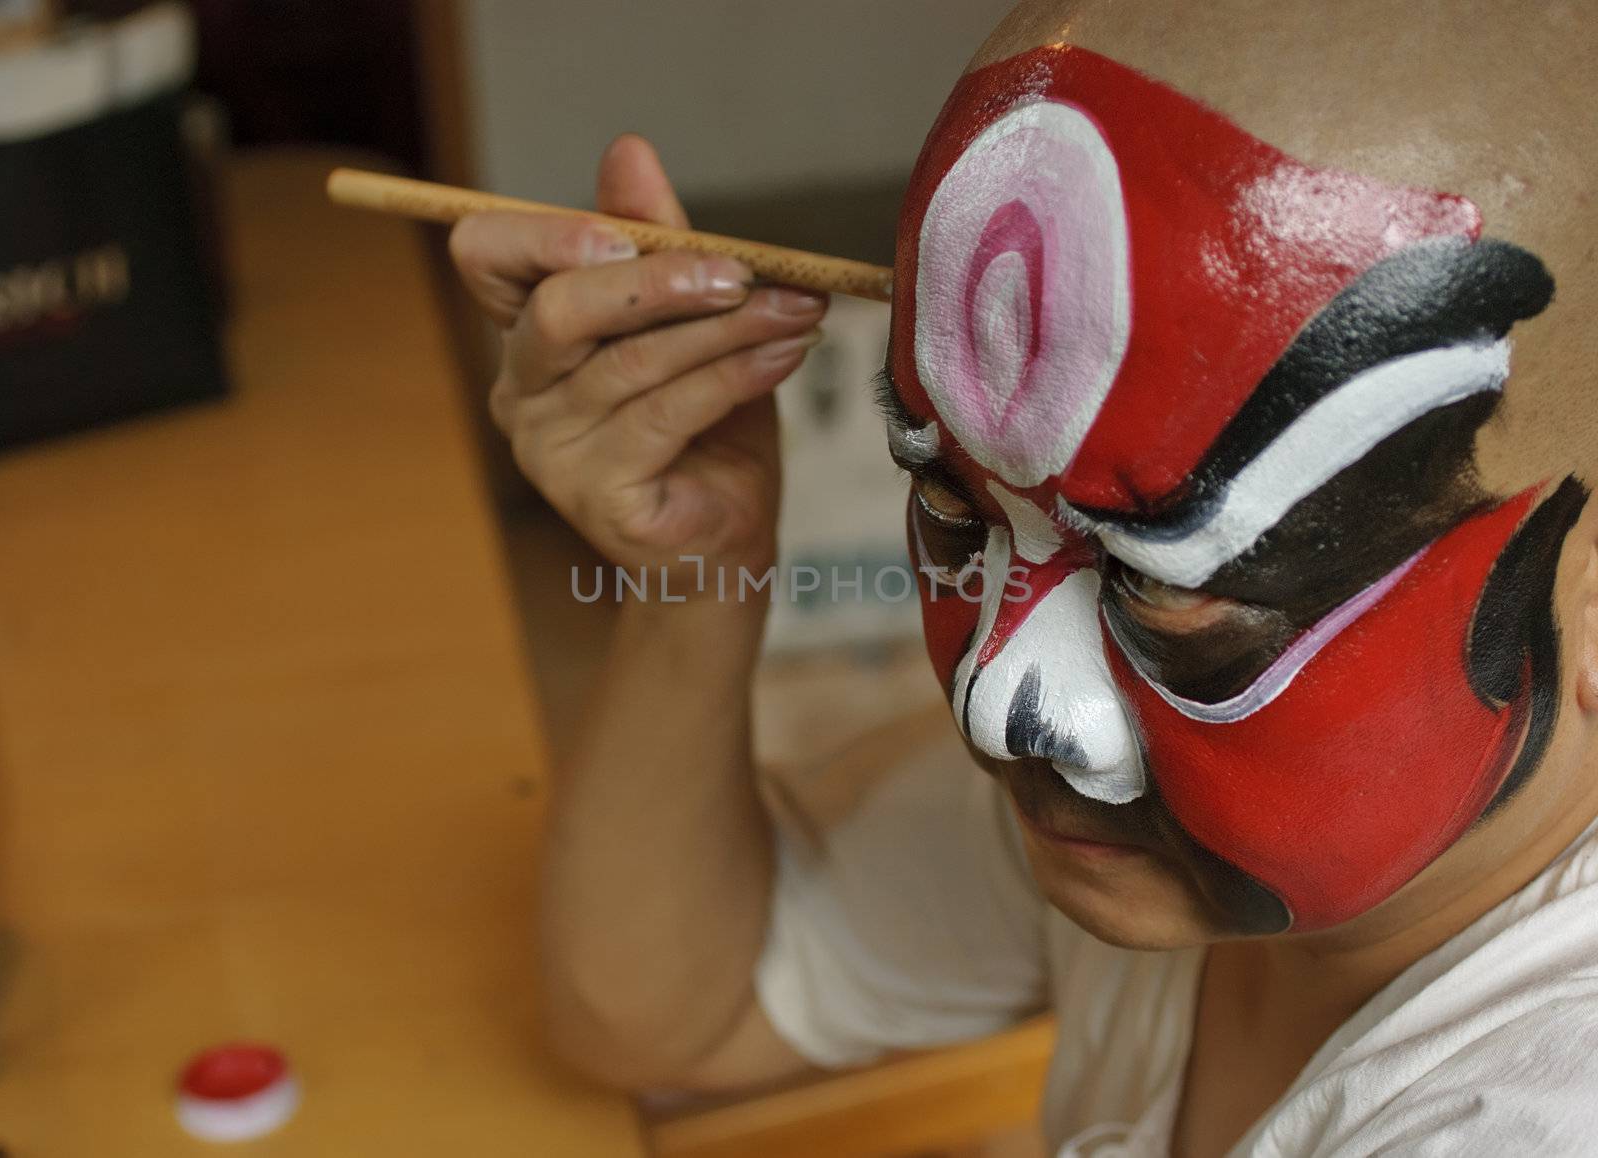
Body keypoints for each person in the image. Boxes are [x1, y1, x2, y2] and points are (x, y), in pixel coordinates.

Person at [447, 1, 1598, 1153]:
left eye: (1161, 583)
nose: (998, 699)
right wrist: (695, 572)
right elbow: (672, 1011)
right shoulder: (1188, 838)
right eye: (956, 509)